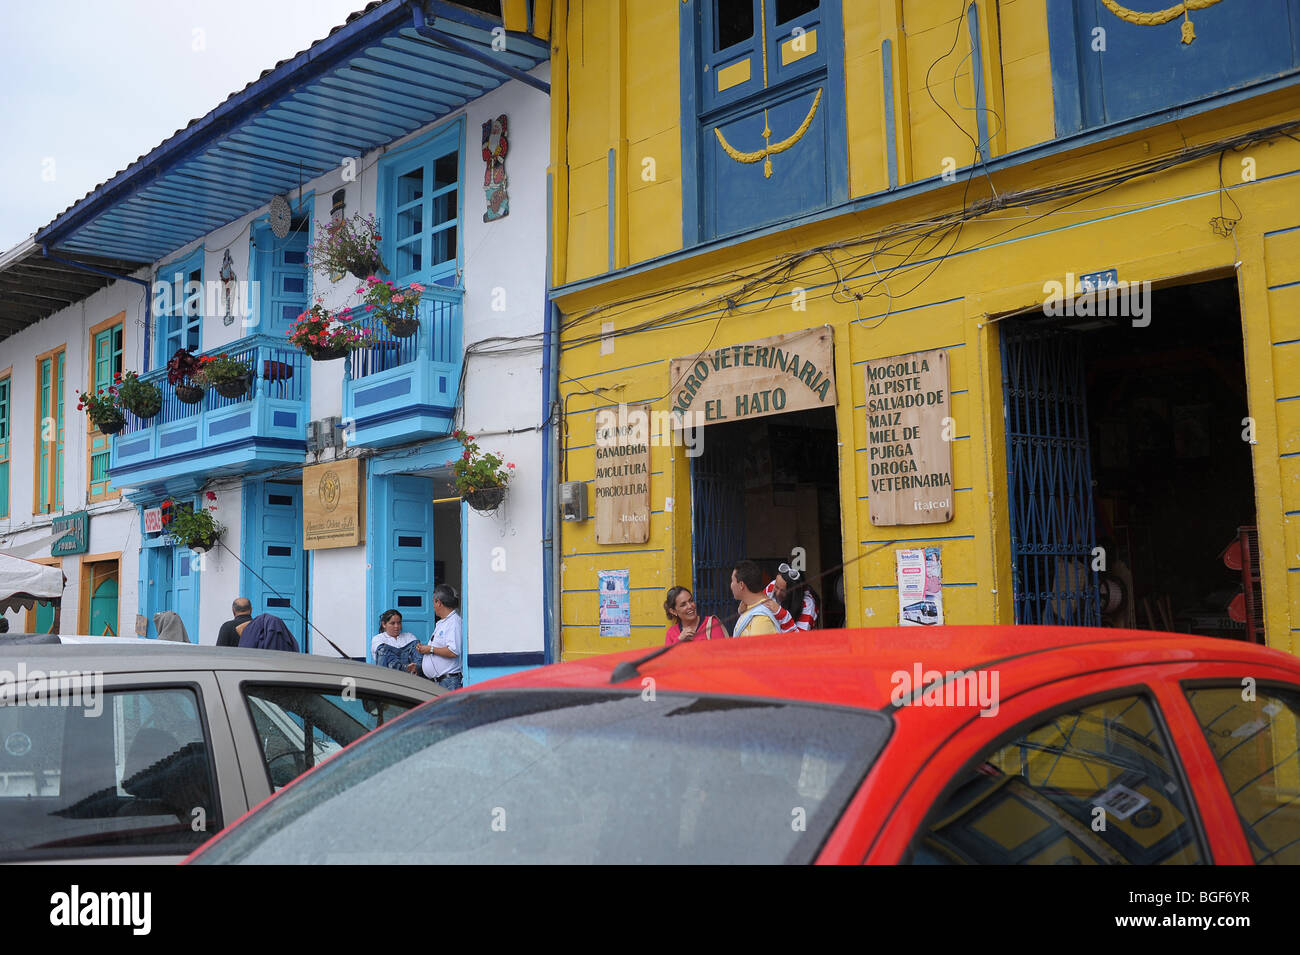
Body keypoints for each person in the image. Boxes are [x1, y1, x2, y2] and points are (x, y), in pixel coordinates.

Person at [413, 584, 462, 690]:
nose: (433, 606)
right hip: (439, 682)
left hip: (448, 682)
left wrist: (430, 649)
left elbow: (453, 651)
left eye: (433, 602)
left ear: (439, 602)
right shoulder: (442, 622)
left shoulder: (454, 623)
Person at [763, 563, 821, 632]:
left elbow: (799, 639)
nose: (777, 593)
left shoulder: (808, 604)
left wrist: (782, 614)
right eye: (776, 587)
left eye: (783, 591)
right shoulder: (774, 585)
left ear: (794, 592)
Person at [730, 560, 781, 638]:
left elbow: (757, 650)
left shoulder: (761, 619)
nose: (731, 586)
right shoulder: (748, 609)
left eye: (732, 581)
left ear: (741, 585)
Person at [663, 586, 728, 645]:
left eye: (691, 601)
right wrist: (679, 640)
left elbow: (721, 651)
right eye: (683, 605)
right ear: (673, 611)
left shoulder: (712, 623)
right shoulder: (671, 633)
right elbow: (668, 657)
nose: (690, 606)